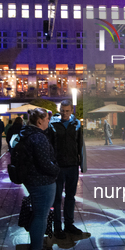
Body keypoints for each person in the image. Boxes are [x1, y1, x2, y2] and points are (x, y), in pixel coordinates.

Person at [13, 108, 60, 250]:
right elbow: (45, 163)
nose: (48, 121)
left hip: (33, 180)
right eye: (47, 119)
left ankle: (37, 245)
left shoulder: (26, 133)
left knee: (39, 215)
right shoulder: (38, 137)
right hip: (42, 182)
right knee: (41, 216)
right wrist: (56, 171)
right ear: (39, 121)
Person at [48, 100, 88, 239]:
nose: (64, 113)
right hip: (57, 166)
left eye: (67, 110)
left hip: (72, 165)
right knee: (57, 198)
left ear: (72, 111)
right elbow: (49, 145)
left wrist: (82, 164)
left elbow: (80, 144)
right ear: (59, 110)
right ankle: (57, 228)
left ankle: (69, 225)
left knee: (71, 197)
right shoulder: (52, 124)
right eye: (62, 110)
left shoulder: (76, 124)